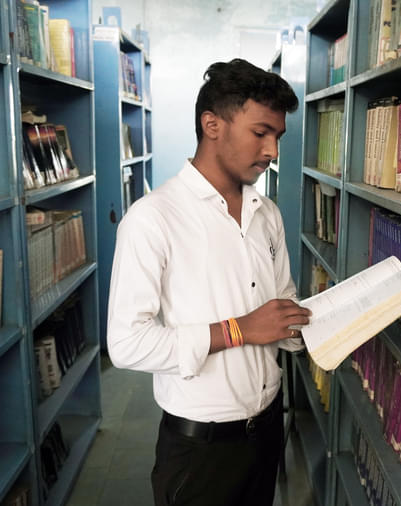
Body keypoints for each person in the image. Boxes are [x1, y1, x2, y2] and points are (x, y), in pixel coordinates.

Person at [105, 58, 312, 506]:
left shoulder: (267, 214)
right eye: (261, 133)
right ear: (212, 124)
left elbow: (282, 306)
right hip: (201, 449)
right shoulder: (153, 219)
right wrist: (239, 329)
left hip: (267, 429)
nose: (272, 150)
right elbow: (126, 344)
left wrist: (319, 326)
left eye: (277, 136)